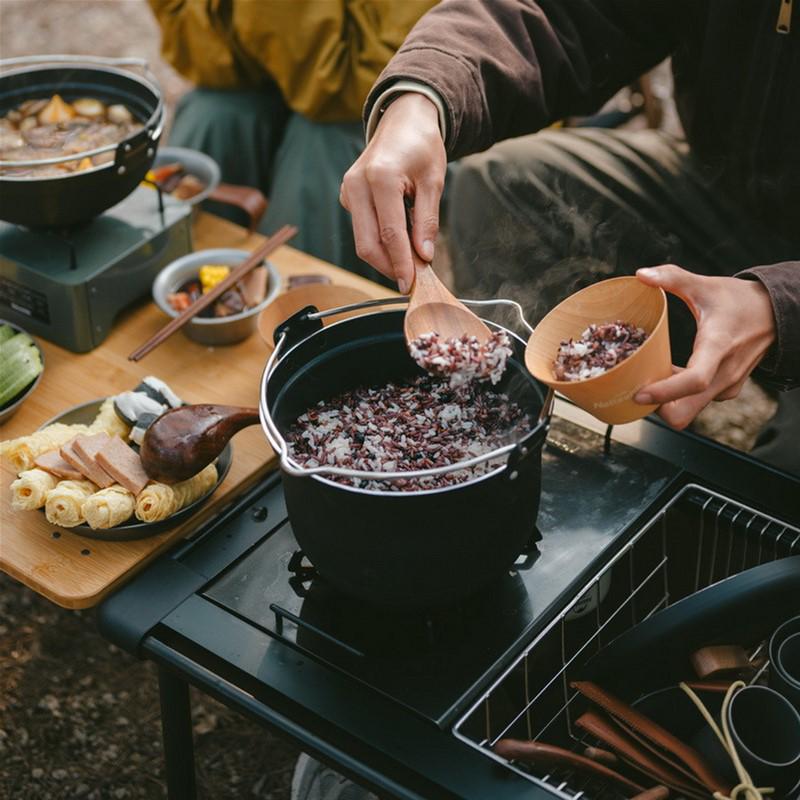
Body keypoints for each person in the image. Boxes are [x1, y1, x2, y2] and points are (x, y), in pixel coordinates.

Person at [340, 0, 799, 472]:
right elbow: (565, 14)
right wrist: (423, 96)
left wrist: (779, 303)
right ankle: (515, 416)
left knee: (780, 484)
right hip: (722, 188)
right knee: (501, 182)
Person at [148, 0, 437, 281]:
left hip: (360, 103)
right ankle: (168, 280)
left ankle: (306, 310)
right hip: (268, 68)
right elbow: (194, 47)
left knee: (324, 150)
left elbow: (359, 81)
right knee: (213, 115)